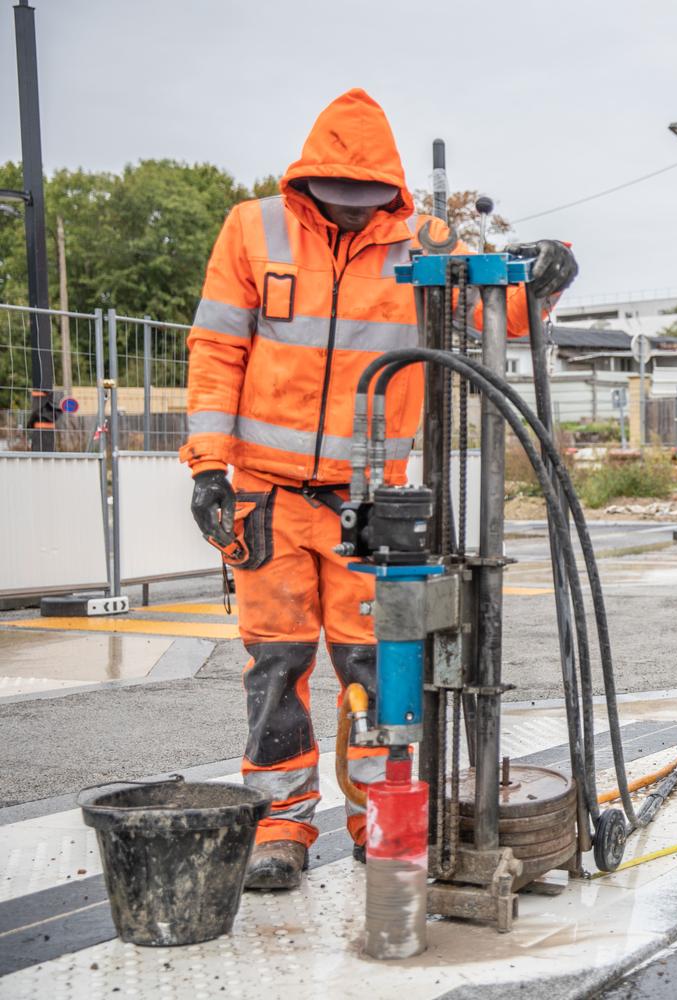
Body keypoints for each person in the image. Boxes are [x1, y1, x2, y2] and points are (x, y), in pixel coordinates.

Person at [180, 88, 575, 890]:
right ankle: (281, 825)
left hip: (370, 504)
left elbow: (504, 313)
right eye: (337, 197)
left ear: (389, 190)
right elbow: (217, 348)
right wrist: (209, 467)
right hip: (266, 497)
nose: (351, 213)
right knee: (275, 667)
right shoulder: (253, 230)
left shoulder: (424, 240)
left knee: (377, 665)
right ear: (309, 182)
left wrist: (549, 273)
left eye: (365, 200)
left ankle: (380, 819)